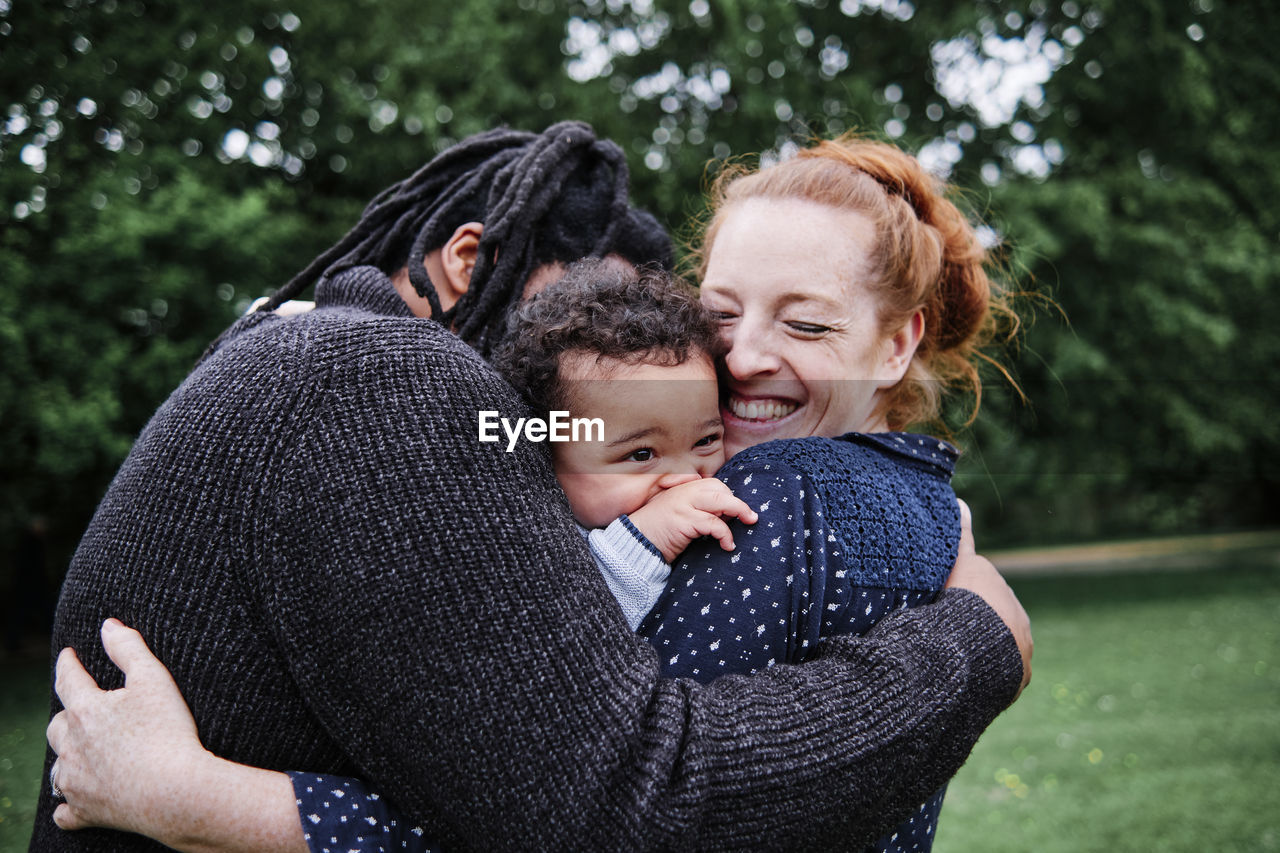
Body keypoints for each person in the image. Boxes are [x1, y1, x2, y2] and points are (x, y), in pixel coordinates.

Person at [38, 124, 1032, 851]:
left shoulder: (768, 499)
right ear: (471, 257)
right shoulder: (400, 385)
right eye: (716, 315)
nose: (700, 362)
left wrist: (203, 801)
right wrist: (980, 632)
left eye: (803, 323)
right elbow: (604, 800)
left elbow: (597, 804)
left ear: (898, 338)